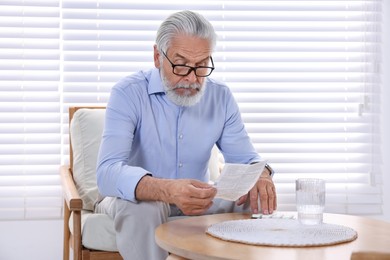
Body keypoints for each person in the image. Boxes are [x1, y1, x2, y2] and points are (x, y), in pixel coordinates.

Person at [95, 10, 277, 260]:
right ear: (158, 56)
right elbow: (107, 173)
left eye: (202, 66)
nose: (192, 79)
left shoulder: (220, 96)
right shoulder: (127, 93)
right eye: (181, 65)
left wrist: (262, 175)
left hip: (199, 202)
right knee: (146, 208)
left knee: (252, 198)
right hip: (134, 201)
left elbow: (247, 160)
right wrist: (166, 190)